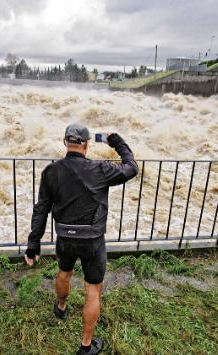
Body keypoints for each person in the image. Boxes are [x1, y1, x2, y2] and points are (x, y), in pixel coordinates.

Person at [24, 123, 138, 354]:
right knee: (93, 290)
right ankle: (86, 347)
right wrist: (115, 141)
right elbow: (131, 168)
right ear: (87, 144)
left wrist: (33, 244)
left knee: (64, 273)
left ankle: (61, 306)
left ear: (65, 142)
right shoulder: (100, 169)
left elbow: (41, 209)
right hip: (93, 241)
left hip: (65, 237)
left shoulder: (51, 171)